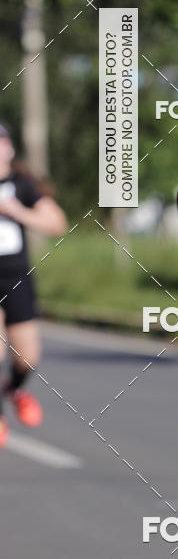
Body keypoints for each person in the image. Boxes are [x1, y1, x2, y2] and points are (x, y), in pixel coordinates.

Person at [0, 123, 68, 448]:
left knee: (26, 358)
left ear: (10, 148)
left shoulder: (21, 184)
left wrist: (18, 212)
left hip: (15, 279)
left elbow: (57, 223)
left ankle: (13, 388)